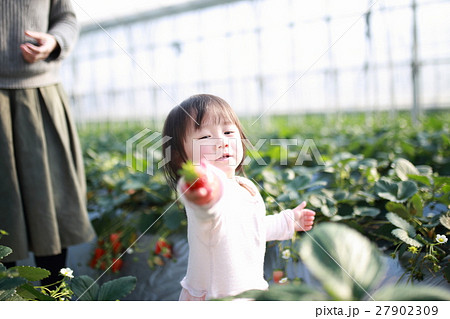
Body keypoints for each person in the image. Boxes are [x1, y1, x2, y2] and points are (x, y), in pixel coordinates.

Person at [162, 94, 316, 300]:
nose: (221, 142)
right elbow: (207, 210)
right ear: (181, 157)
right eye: (205, 137)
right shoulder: (206, 192)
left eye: (228, 132)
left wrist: (288, 221)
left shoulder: (246, 187)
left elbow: (252, 228)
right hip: (215, 297)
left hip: (251, 292)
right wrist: (200, 186)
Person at [0, 0, 95, 287]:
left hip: (39, 95)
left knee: (51, 202)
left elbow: (66, 17)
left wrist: (54, 42)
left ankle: (53, 296)